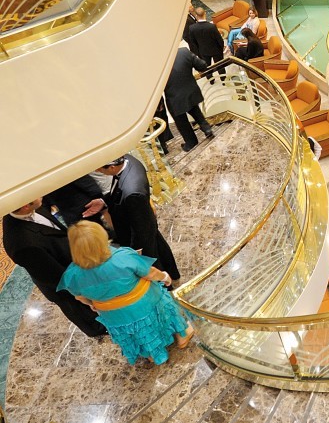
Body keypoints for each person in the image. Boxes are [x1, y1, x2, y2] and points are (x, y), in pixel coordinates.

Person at [59, 221, 193, 365]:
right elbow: (150, 273)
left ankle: (153, 354)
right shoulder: (123, 257)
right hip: (145, 302)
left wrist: (92, 303)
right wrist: (165, 277)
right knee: (165, 307)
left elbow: (79, 297)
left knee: (136, 333)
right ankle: (182, 335)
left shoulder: (72, 275)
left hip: (114, 315)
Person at [2, 200, 107, 338]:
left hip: (65, 260)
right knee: (76, 306)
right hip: (58, 280)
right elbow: (55, 277)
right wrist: (80, 288)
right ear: (25, 206)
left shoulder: (32, 204)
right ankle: (96, 329)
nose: (41, 195)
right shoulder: (21, 244)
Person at [97, 155, 180, 281]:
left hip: (138, 229)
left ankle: (165, 285)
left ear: (112, 167)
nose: (98, 171)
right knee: (159, 247)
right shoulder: (128, 160)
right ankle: (173, 273)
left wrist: (136, 250)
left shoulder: (132, 193)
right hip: (143, 218)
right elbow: (117, 192)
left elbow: (141, 229)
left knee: (151, 260)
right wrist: (103, 202)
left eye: (100, 169)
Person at [164, 47, 214, 151]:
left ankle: (191, 142)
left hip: (174, 97)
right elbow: (202, 66)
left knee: (181, 120)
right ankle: (206, 128)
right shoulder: (184, 52)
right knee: (193, 108)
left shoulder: (157, 64)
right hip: (191, 91)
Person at [42, 174, 106, 226]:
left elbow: (91, 186)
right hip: (70, 216)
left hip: (88, 209)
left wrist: (101, 202)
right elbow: (45, 203)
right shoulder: (42, 180)